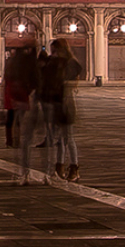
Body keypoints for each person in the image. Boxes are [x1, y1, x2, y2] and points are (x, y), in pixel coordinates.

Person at [40, 36, 83, 182]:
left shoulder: (69, 64)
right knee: (59, 139)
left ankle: (74, 167)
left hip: (66, 105)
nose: (53, 53)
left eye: (55, 50)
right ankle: (59, 167)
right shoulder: (55, 63)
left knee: (68, 138)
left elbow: (65, 80)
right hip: (57, 104)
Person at [1, 37, 38, 161]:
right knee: (18, 118)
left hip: (11, 91)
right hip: (20, 91)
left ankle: (11, 140)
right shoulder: (23, 63)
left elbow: (6, 78)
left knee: (12, 117)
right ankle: (15, 139)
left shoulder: (12, 63)